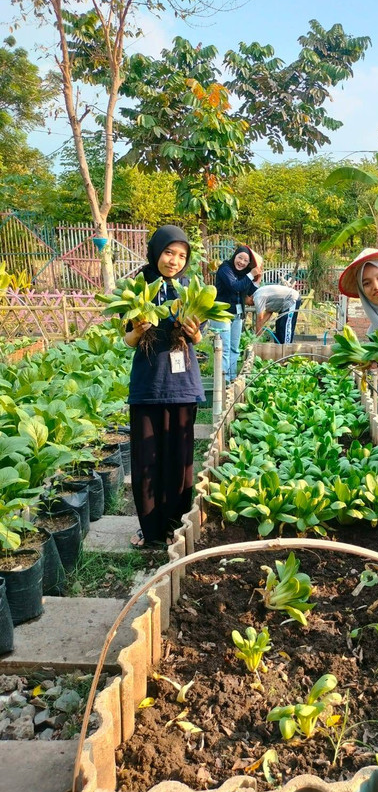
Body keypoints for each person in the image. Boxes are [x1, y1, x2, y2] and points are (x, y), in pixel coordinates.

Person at [125, 225, 205, 549]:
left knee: (179, 460)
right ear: (156, 252)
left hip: (183, 384)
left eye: (181, 255)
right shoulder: (137, 288)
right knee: (147, 460)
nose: (174, 260)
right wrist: (139, 329)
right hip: (148, 385)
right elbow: (128, 338)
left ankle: (175, 526)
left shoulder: (191, 290)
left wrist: (194, 332)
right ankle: (151, 529)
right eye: (169, 252)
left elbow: (199, 338)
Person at [211, 244, 263, 382]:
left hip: (238, 315)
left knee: (234, 349)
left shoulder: (244, 274)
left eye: (246, 261)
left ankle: (232, 379)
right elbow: (235, 286)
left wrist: (256, 280)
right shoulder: (225, 269)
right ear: (235, 256)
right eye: (240, 258)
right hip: (222, 314)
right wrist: (251, 275)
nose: (242, 262)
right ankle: (223, 382)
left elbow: (248, 291)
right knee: (224, 349)